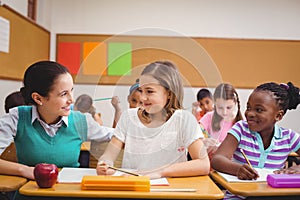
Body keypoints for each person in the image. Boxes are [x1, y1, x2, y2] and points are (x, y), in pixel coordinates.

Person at [0, 61, 114, 180]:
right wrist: (24, 170)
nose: (72, 100)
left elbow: (116, 135)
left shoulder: (81, 121)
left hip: (70, 192)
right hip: (30, 193)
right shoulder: (17, 118)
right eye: (64, 94)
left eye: (71, 91)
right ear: (38, 98)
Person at [96, 61, 210, 179]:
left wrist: (161, 172)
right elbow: (108, 155)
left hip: (170, 190)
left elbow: (203, 164)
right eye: (141, 90)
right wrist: (105, 164)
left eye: (149, 91)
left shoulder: (184, 120)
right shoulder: (128, 117)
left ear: (169, 93)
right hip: (133, 188)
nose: (143, 97)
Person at [211, 82, 300, 199]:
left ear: (278, 116)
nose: (250, 113)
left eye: (259, 110)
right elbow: (217, 160)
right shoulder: (241, 129)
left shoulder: (288, 137)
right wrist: (237, 169)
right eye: (248, 108)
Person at [200, 83, 243, 157]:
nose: (224, 112)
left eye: (229, 107)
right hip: (211, 164)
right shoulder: (209, 117)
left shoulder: (240, 123)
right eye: (220, 107)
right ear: (214, 103)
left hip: (231, 165)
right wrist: (203, 141)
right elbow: (196, 133)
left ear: (235, 104)